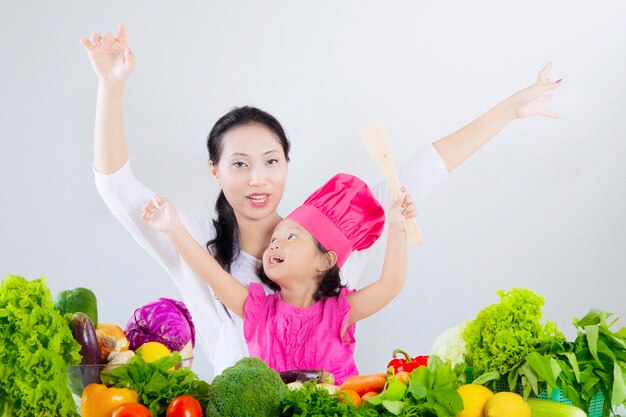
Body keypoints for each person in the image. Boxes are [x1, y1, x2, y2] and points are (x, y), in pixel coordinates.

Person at [80, 24, 562, 377]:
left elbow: (420, 171)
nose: (257, 179)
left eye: (271, 161)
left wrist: (511, 110)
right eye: (239, 164)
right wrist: (111, 85)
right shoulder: (193, 243)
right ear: (215, 171)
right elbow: (115, 186)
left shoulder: (330, 232)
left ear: (288, 164)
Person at [141, 173, 415, 384]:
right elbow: (210, 272)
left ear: (324, 261)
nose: (274, 245)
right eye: (273, 239)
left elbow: (389, 285)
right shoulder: (259, 311)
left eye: (290, 237)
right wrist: (172, 228)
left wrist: (397, 228)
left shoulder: (339, 312)